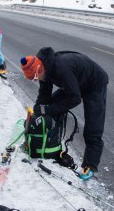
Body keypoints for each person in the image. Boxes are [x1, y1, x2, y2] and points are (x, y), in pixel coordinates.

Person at [20, 48, 109, 180]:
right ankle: (46, 143)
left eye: (34, 78)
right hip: (76, 83)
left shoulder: (61, 69)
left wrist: (48, 110)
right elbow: (44, 95)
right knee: (49, 107)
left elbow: (75, 98)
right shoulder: (44, 68)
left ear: (39, 70)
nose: (35, 81)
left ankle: (91, 166)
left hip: (94, 84)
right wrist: (38, 111)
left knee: (93, 127)